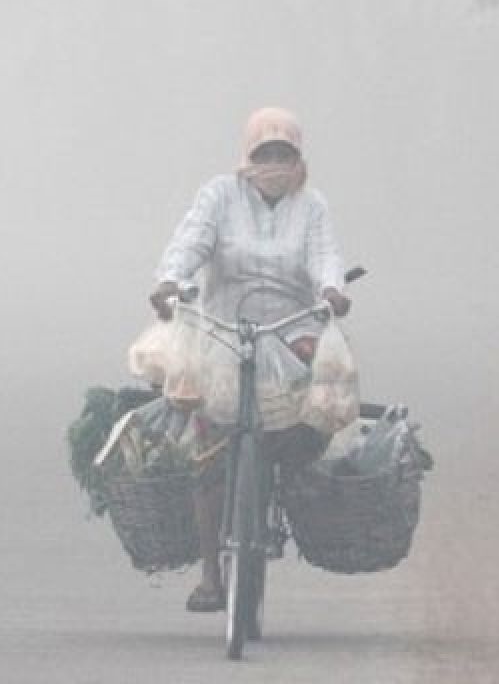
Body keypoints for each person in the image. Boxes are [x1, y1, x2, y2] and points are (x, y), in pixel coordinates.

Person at [147, 106, 353, 612]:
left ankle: (284, 487)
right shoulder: (220, 195)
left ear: (299, 158)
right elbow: (191, 241)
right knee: (210, 447)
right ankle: (211, 575)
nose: (275, 163)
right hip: (222, 327)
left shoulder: (312, 206)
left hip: (290, 328)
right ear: (248, 156)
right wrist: (171, 280)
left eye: (285, 154)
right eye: (266, 153)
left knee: (313, 417)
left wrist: (332, 289)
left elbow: (326, 256)